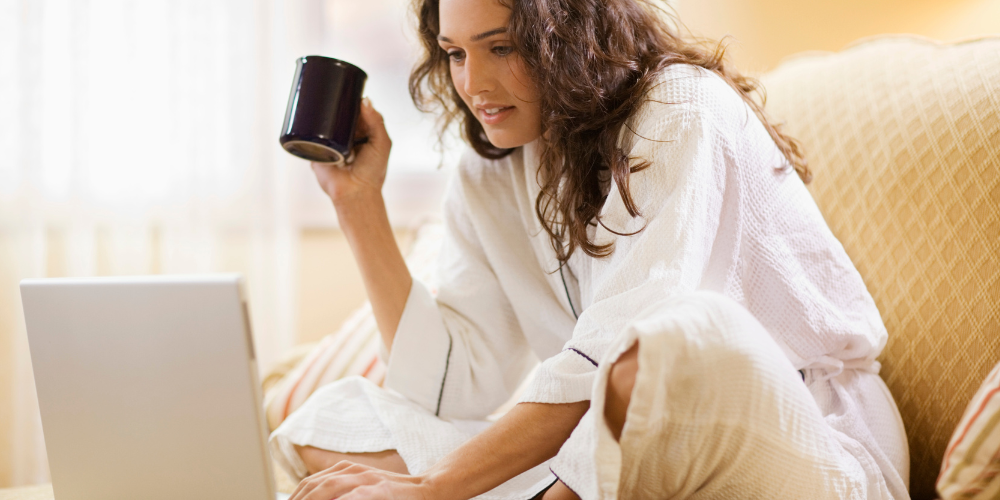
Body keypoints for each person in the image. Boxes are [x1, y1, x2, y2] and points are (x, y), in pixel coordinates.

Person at [269, 0, 911, 497]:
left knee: (667, 341)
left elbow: (618, 351)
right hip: (610, 439)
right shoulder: (492, 168)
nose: (476, 84)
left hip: (799, 437)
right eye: (456, 53)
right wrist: (357, 204)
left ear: (570, 35)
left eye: (503, 47)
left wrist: (437, 488)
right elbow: (455, 385)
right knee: (331, 421)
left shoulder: (681, 105)